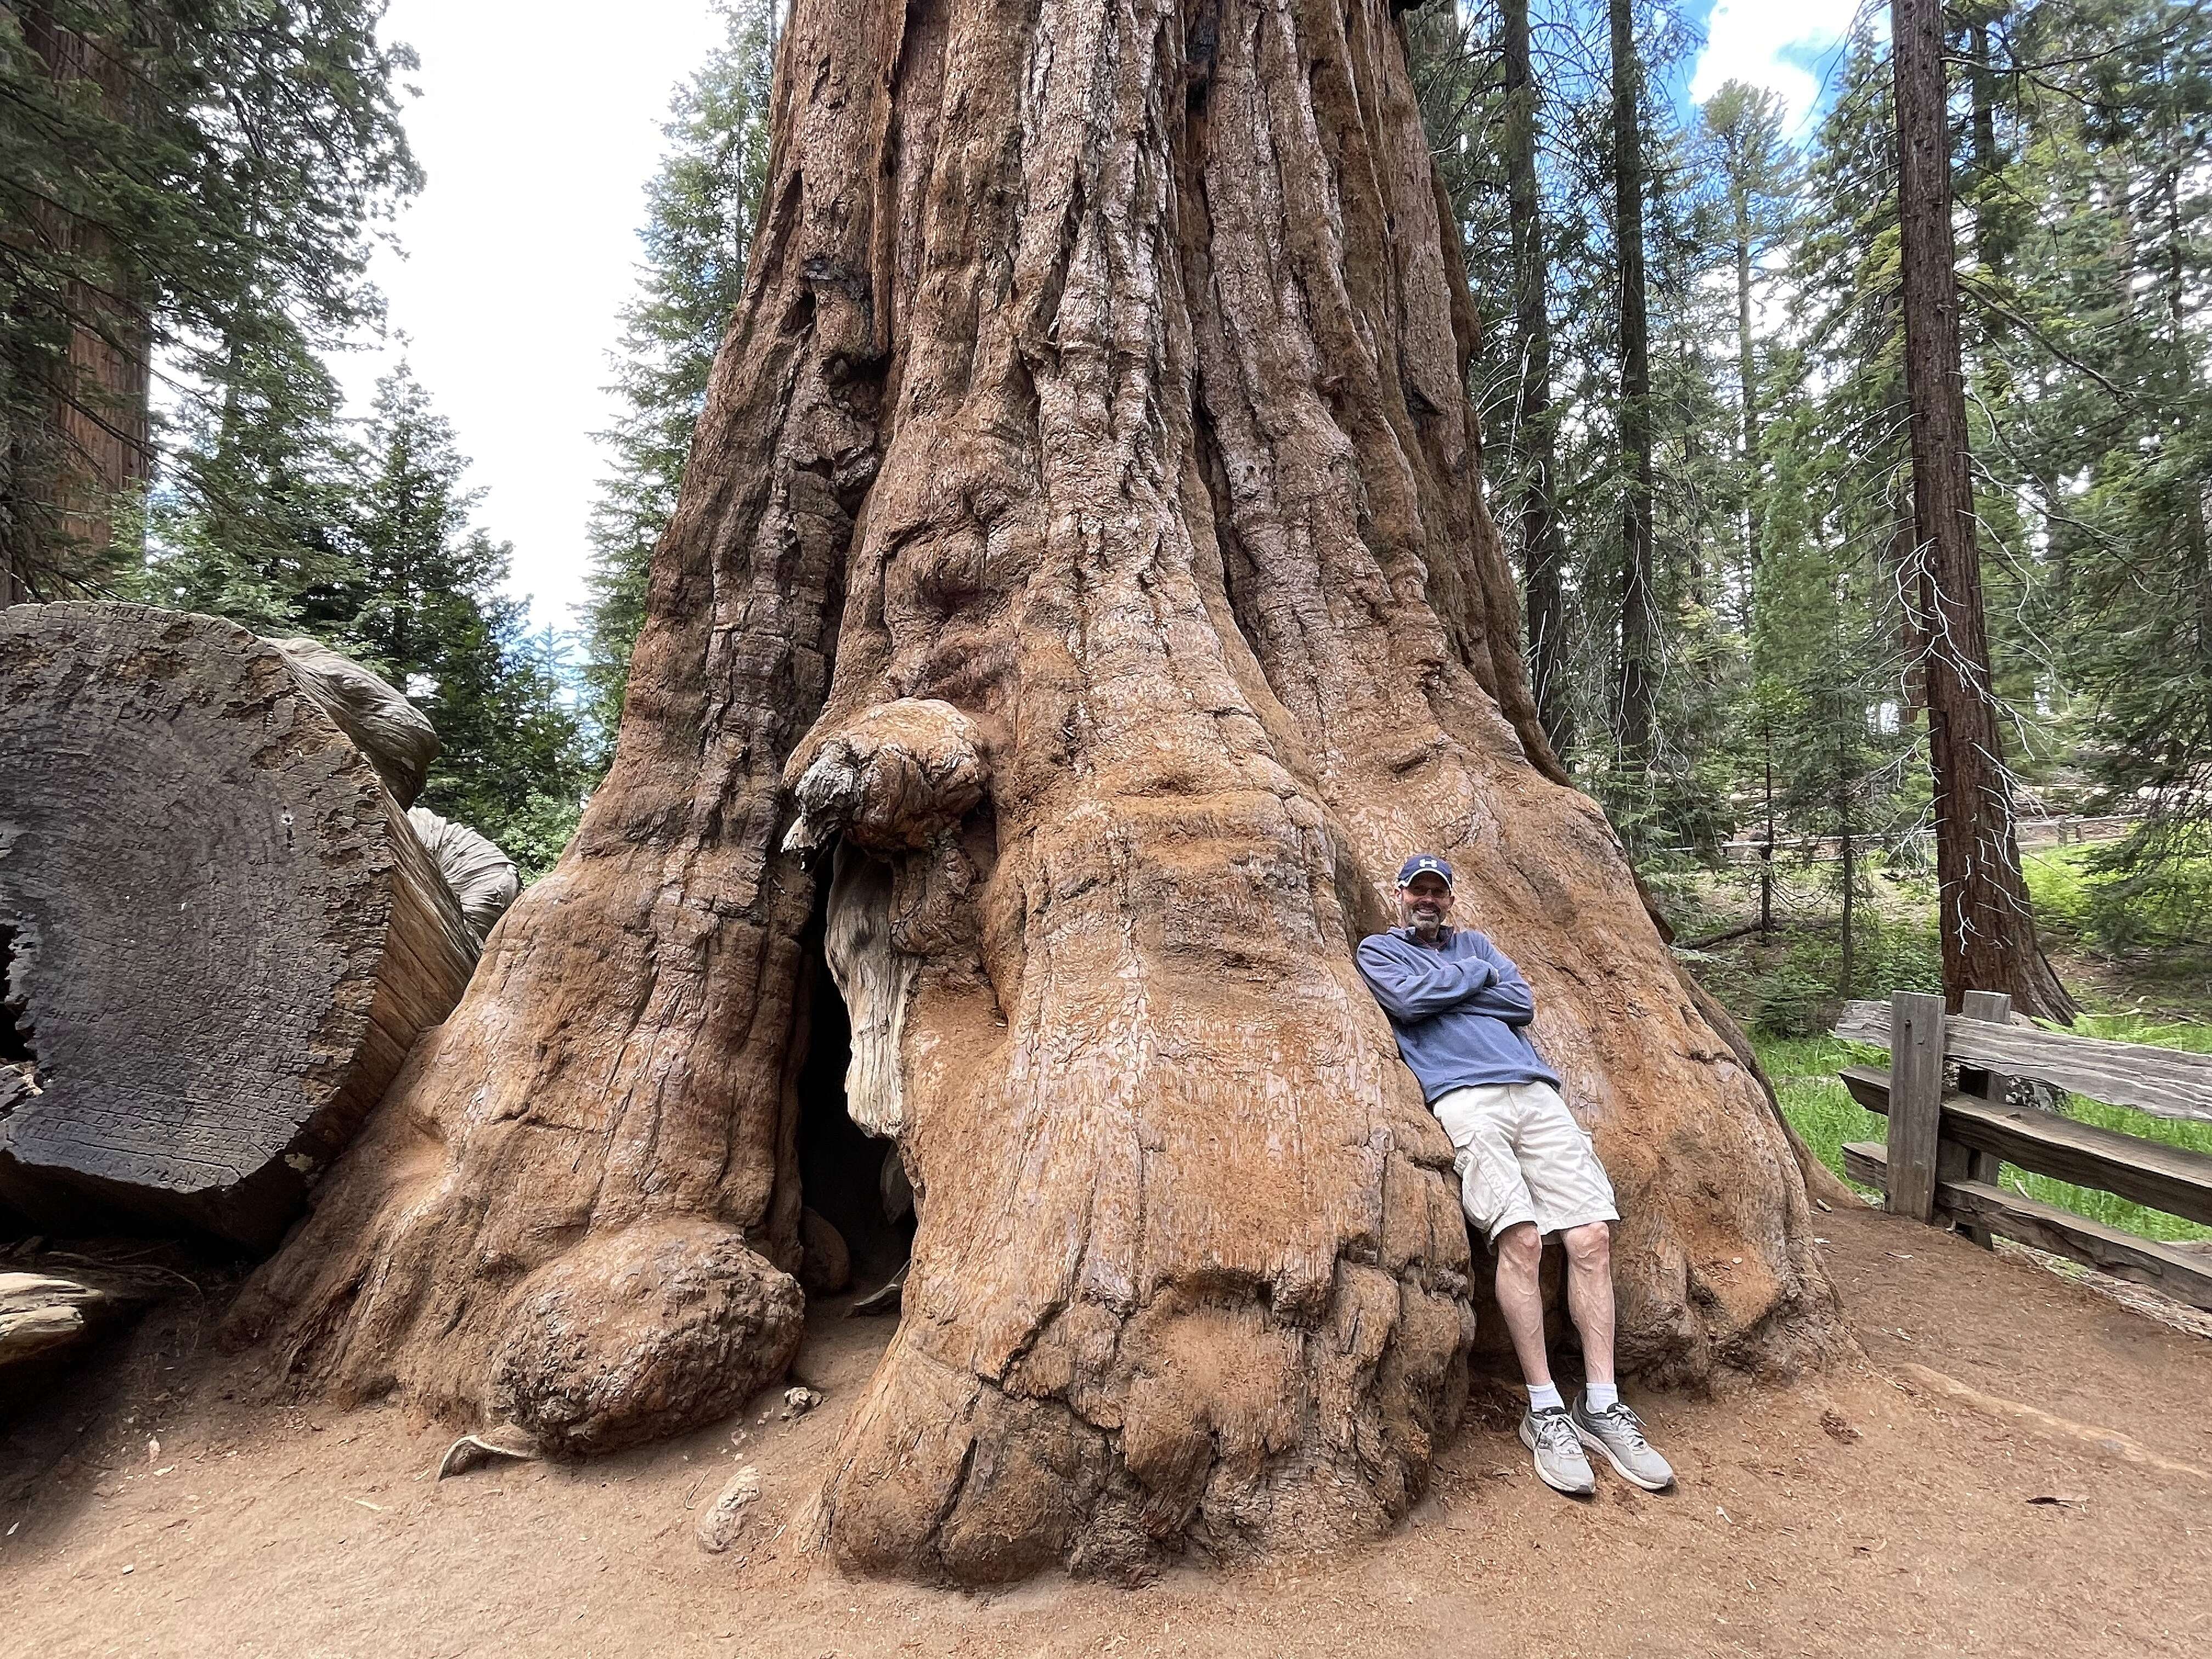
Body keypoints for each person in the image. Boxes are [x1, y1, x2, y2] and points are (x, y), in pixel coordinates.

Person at [1355, 853, 1675, 1497]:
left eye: (1437, 892)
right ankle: (1545, 1409)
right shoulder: (1379, 950)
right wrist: (1476, 980)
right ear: (1400, 895)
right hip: (1462, 1098)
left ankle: (1604, 1404)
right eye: (1417, 890)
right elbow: (1408, 1004)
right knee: (1521, 1239)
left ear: (1450, 899)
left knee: (1591, 1238)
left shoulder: (1476, 943)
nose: (1427, 900)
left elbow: (1521, 1002)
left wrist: (1462, 973)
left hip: (1535, 1093)